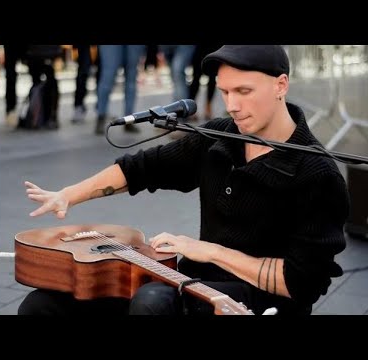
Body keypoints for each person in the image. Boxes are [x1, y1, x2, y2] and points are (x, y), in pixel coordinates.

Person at [18, 45, 349, 316]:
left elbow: (303, 283)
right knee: (43, 305)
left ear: (281, 85)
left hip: (264, 302)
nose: (232, 105)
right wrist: (69, 195)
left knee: (153, 302)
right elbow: (143, 167)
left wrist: (210, 251)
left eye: (244, 91)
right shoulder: (219, 135)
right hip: (195, 283)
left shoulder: (317, 173)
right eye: (225, 92)